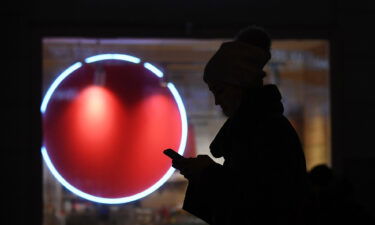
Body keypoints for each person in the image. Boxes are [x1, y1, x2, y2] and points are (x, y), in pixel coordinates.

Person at [170, 26, 310, 225]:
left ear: (239, 84)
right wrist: (205, 172)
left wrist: (205, 173)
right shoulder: (267, 127)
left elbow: (255, 204)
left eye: (219, 91)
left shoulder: (262, 132)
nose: (217, 101)